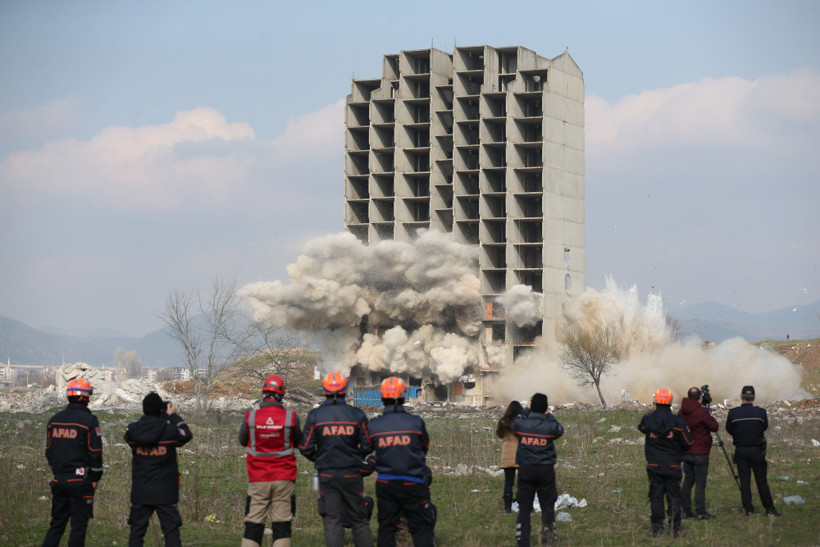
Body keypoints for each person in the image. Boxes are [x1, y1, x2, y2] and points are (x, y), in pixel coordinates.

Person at [298, 372, 373, 547]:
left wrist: (321, 459)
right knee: (359, 520)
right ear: (345, 391)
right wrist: (356, 456)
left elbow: (305, 447)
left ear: (324, 390)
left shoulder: (315, 416)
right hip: (352, 474)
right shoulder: (357, 415)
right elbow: (368, 445)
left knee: (332, 520)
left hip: (327, 475)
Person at [366, 376, 436, 547]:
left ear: (382, 397)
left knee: (387, 528)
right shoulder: (416, 423)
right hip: (414, 482)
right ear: (404, 396)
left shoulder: (375, 425)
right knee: (421, 528)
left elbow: (365, 449)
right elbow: (424, 447)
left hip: (386, 483)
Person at [238, 375, 302, 547]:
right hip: (284, 478)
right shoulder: (291, 418)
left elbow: (243, 440)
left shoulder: (251, 417)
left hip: (258, 479)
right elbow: (299, 441)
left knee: (253, 525)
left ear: (263, 392)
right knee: (282, 527)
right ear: (282, 394)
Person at [124, 392, 193, 546]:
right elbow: (186, 434)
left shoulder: (134, 432)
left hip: (141, 492)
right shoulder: (169, 432)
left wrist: (147, 420)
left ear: (144, 409)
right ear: (160, 410)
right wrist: (173, 416)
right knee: (171, 533)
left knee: (136, 533)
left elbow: (127, 435)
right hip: (165, 493)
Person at [43, 377, 103, 547]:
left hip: (59, 480)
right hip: (80, 482)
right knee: (78, 526)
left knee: (56, 524)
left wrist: (58, 471)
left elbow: (49, 451)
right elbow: (95, 453)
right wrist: (94, 478)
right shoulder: (89, 421)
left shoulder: (54, 420)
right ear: (86, 398)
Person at [638, 388, 694, 537]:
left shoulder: (648, 420)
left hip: (654, 465)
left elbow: (641, 427)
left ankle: (657, 529)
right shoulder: (678, 422)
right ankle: (675, 529)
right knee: (674, 498)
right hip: (673, 465)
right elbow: (689, 442)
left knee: (656, 497)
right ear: (670, 402)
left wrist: (654, 434)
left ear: (655, 401)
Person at [512, 393, 563, 547]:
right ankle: (548, 538)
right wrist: (549, 415)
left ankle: (523, 541)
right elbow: (559, 430)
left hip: (526, 470)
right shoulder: (550, 425)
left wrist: (527, 410)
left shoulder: (522, 424)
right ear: (546, 408)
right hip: (545, 470)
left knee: (524, 509)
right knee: (548, 506)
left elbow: (515, 425)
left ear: (532, 406)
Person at [725, 385, 781, 517]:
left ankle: (748, 509)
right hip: (757, 450)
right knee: (761, 481)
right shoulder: (760, 413)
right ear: (754, 397)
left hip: (741, 450)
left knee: (745, 482)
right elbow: (764, 427)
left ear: (741, 397)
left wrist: (739, 436)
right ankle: (769, 509)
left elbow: (729, 429)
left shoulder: (733, 413)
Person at [678, 387, 719, 519]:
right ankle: (700, 511)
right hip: (700, 452)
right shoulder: (702, 412)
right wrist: (708, 413)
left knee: (688, 481)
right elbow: (714, 427)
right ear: (699, 398)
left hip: (686, 451)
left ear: (688, 396)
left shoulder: (681, 412)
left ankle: (686, 510)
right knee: (700, 482)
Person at [496, 400, 523, 513]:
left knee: (508, 482)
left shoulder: (503, 422)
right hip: (520, 454)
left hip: (507, 454)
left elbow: (499, 435)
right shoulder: (522, 421)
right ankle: (523, 505)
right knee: (523, 482)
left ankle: (507, 508)